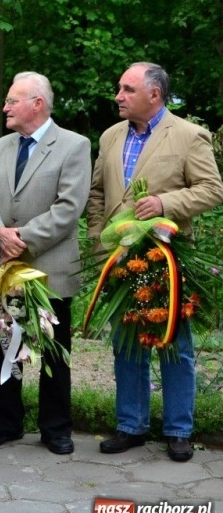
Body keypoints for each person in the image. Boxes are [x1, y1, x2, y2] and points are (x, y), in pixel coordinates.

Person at [87, 62, 223, 462]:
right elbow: (97, 194)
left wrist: (165, 203)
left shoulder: (187, 135)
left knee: (174, 346)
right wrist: (98, 241)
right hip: (120, 258)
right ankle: (131, 425)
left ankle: (179, 430)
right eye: (119, 88)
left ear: (154, 94)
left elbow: (212, 189)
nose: (119, 96)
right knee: (126, 344)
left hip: (167, 258)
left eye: (128, 89)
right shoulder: (111, 135)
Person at [0, 72, 91, 455]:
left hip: (49, 269)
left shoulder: (74, 145)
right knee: (5, 346)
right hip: (4, 267)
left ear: (37, 104)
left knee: (53, 352)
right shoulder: (2, 146)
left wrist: (21, 238)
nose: (5, 107)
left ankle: (56, 428)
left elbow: (69, 208)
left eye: (12, 101)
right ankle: (4, 422)